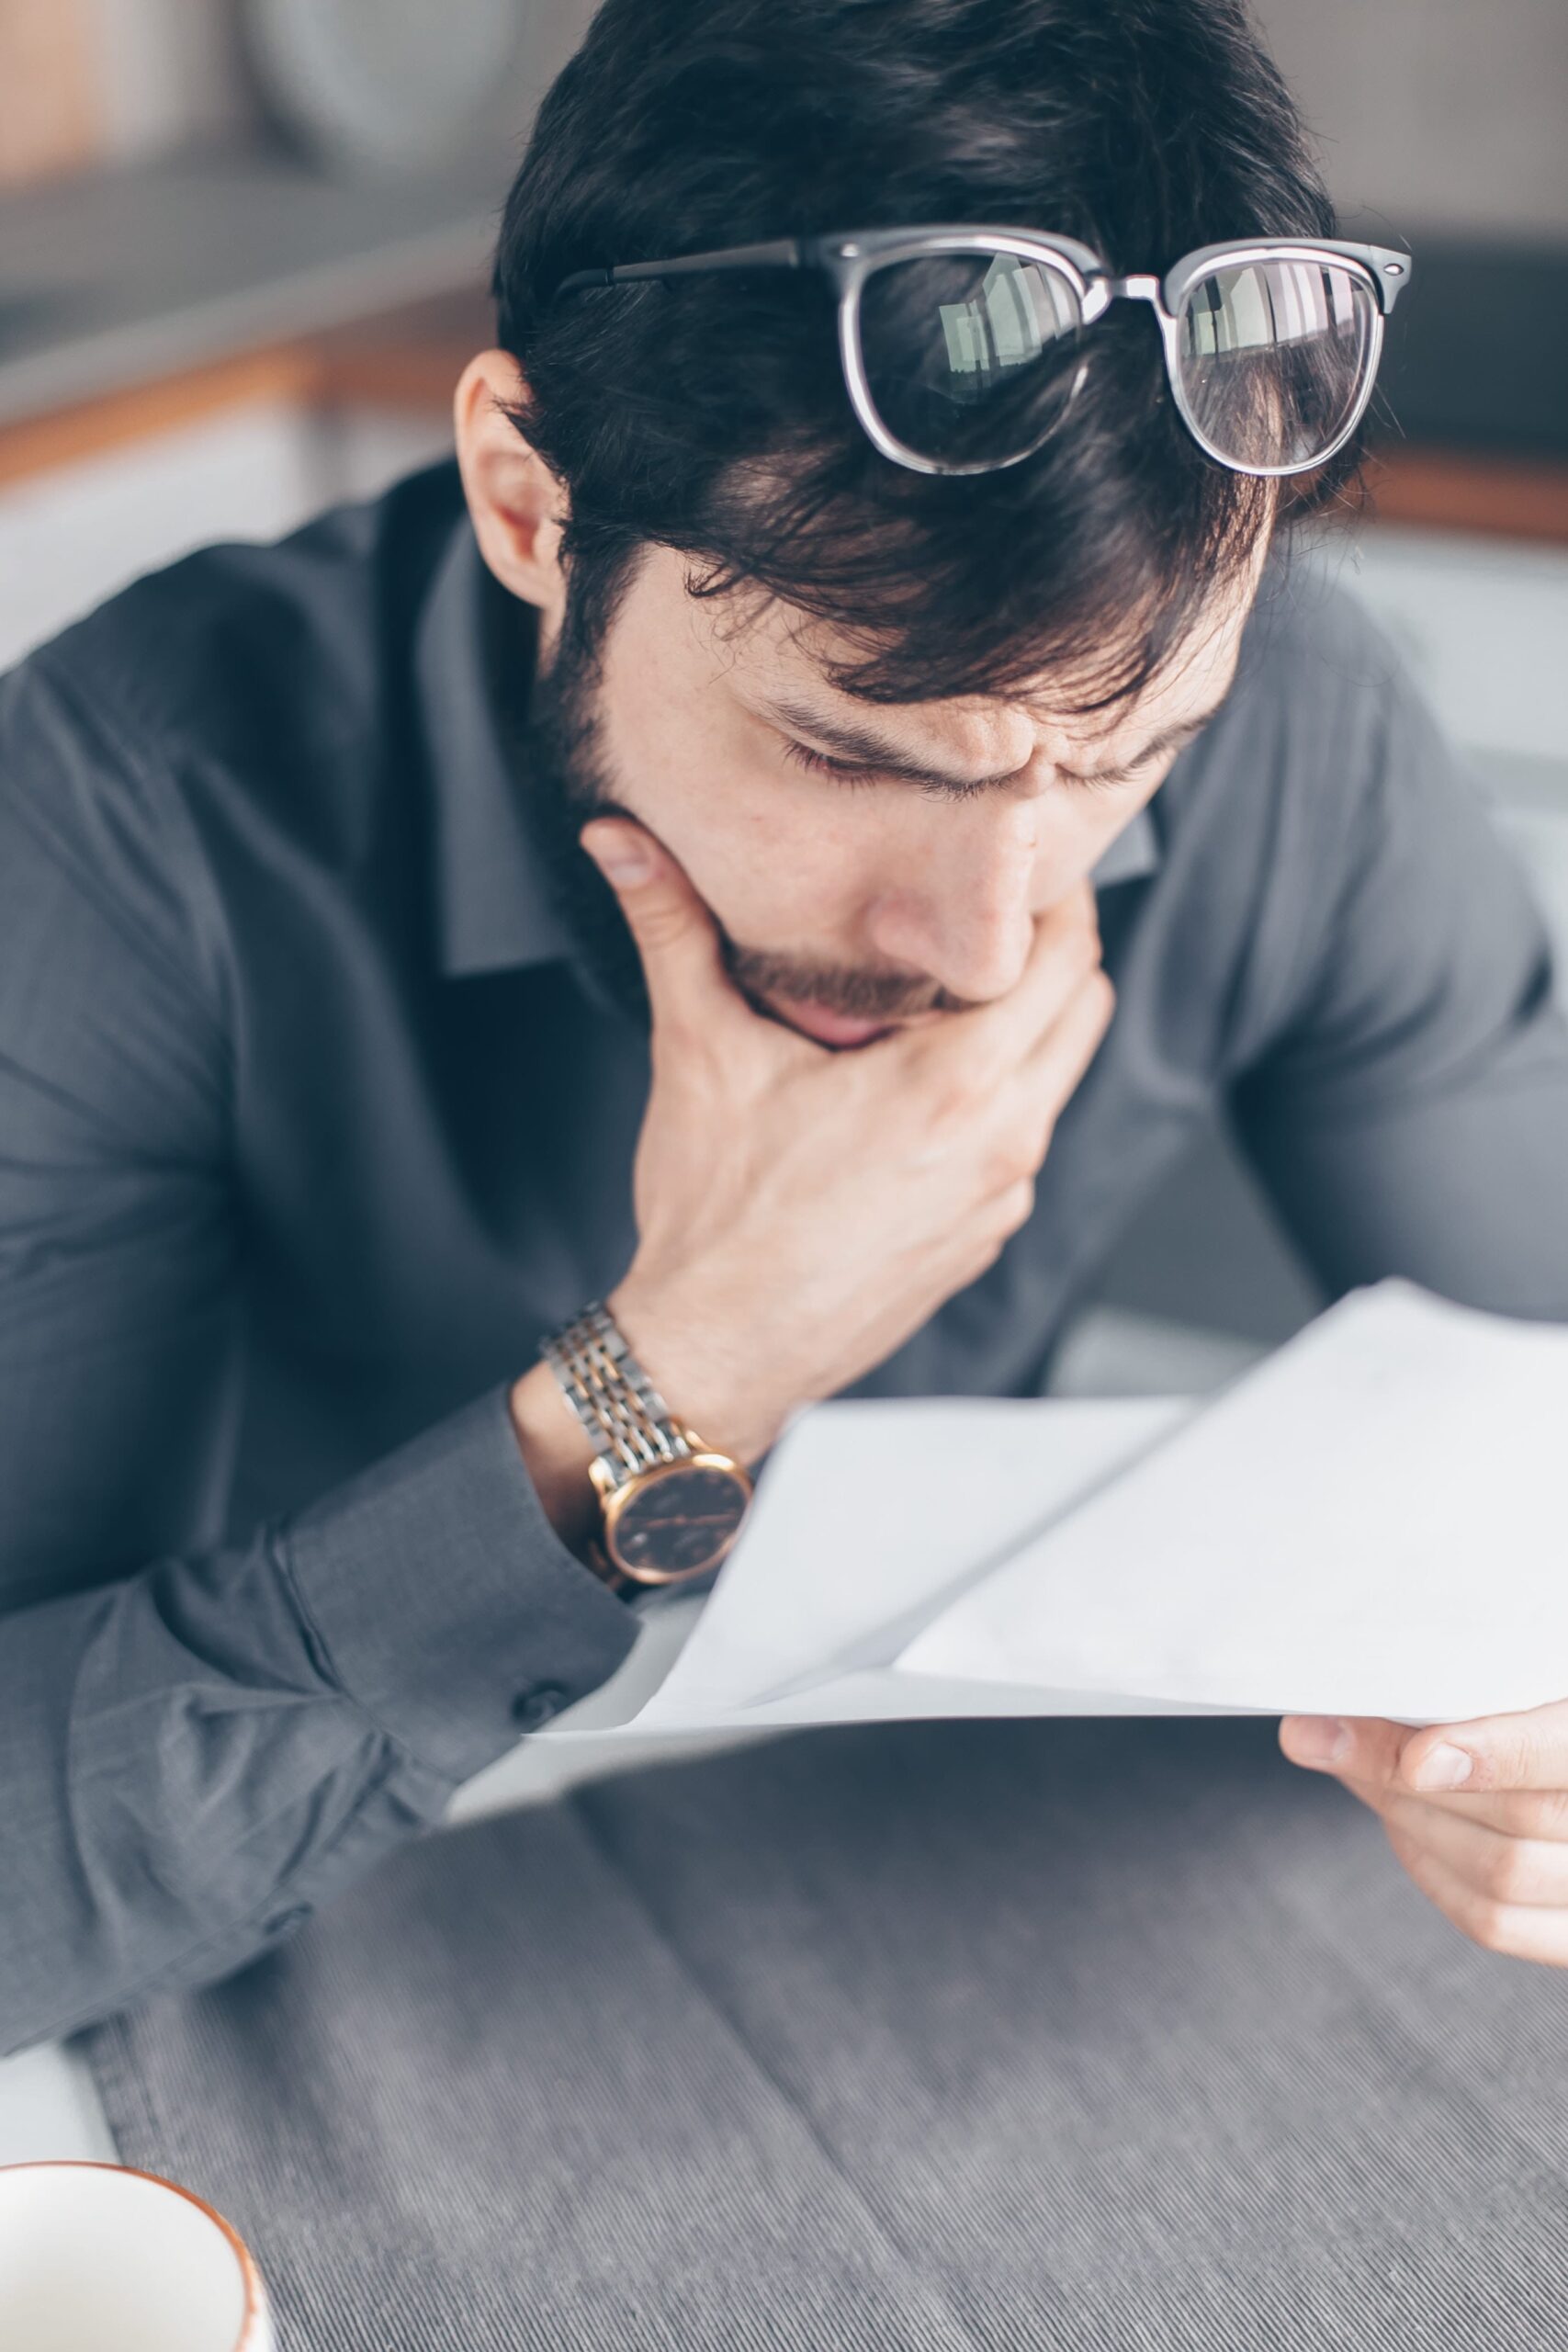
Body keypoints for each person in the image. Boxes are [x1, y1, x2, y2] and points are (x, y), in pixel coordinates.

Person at [5, 0, 1568, 2073]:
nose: (993, 937)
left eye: (1128, 762)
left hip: (921, 1895)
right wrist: (665, 1385)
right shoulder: (134, 814)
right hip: (270, 1895)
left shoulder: (1302, 723)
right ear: (529, 504)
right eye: (849, 753)